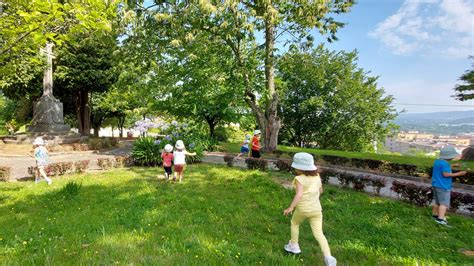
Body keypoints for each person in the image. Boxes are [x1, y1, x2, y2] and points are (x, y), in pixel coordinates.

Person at [283, 152, 337, 266]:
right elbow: (321, 191)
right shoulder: (317, 176)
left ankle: (294, 245)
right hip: (316, 210)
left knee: (294, 223)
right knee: (319, 233)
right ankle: (328, 256)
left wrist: (291, 207)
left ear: (299, 168)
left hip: (303, 209)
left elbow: (299, 194)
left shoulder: (299, 178)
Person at [431, 146, 466, 226]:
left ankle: (435, 215)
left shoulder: (437, 161)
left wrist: (453, 166)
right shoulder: (445, 164)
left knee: (437, 202)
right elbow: (445, 174)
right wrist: (459, 173)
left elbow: (441, 168)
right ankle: (440, 219)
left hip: (436, 184)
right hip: (443, 186)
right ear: (450, 156)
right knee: (444, 203)